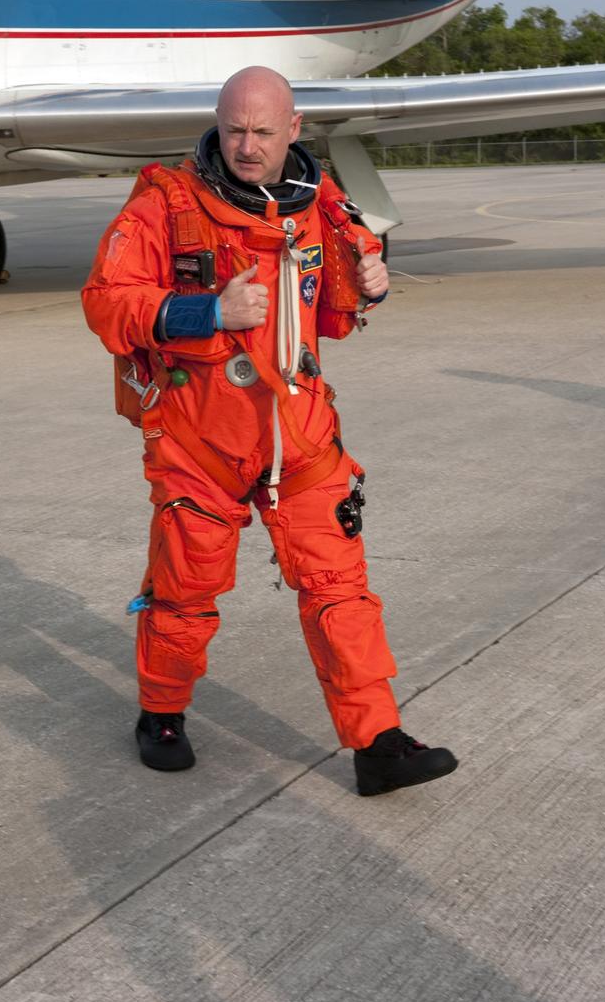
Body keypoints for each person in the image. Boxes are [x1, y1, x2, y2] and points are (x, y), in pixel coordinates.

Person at [81, 67, 457, 796]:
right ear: (216, 127)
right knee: (184, 589)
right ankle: (162, 714)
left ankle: (378, 744)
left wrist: (370, 285)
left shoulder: (322, 206)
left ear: (294, 129)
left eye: (261, 131)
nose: (246, 147)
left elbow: (333, 315)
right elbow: (106, 303)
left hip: (300, 434)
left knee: (339, 588)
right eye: (233, 130)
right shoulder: (166, 205)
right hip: (200, 437)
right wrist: (206, 313)